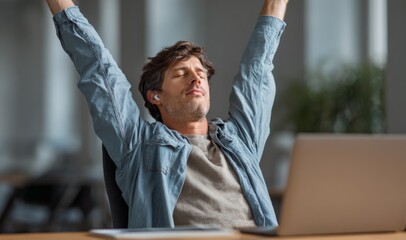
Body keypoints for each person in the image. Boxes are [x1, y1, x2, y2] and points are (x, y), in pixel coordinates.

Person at [45, 0, 289, 228]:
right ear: (155, 96)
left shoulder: (241, 140)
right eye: (181, 74)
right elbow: (98, 68)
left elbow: (257, 70)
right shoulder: (138, 145)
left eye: (201, 74)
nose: (196, 78)